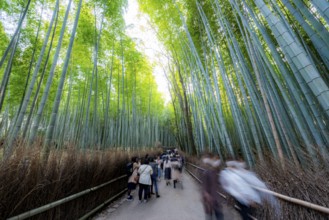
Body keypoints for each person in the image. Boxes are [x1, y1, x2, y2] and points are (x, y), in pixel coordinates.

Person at [201, 154, 223, 220]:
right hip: (209, 200)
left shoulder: (215, 171)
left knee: (218, 215)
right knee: (210, 216)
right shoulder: (207, 172)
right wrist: (206, 195)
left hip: (215, 199)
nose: (217, 162)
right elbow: (204, 187)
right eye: (215, 159)